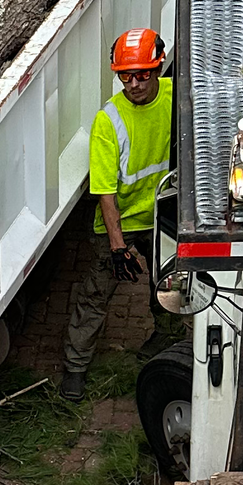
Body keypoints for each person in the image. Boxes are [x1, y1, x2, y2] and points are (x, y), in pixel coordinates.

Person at [60, 27, 172, 401]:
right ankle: (75, 369)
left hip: (161, 218)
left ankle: (166, 340)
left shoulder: (177, 99)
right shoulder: (108, 121)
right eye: (126, 75)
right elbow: (105, 193)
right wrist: (118, 248)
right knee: (94, 297)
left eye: (142, 73)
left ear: (158, 69)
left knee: (170, 287)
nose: (135, 83)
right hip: (119, 222)